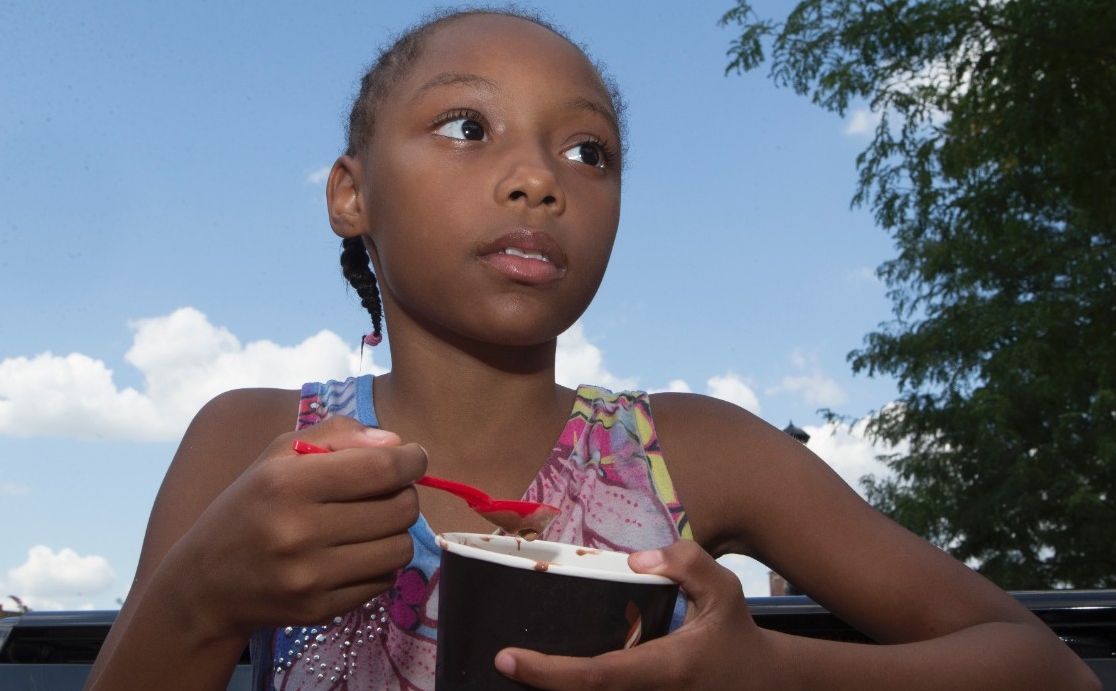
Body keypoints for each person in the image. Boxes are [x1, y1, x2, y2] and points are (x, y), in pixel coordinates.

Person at [84, 7, 1100, 691]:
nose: (539, 179)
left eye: (587, 151)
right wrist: (202, 593)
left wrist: (768, 668)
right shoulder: (256, 443)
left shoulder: (693, 450)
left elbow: (1046, 666)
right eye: (466, 125)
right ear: (351, 193)